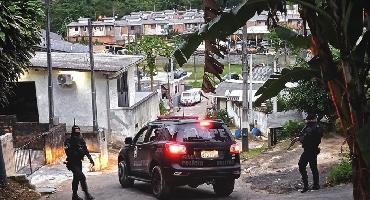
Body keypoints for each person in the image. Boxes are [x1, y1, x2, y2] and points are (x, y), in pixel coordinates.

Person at [64, 125, 95, 200]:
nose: (77, 133)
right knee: (82, 177)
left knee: (76, 178)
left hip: (78, 162)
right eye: (76, 131)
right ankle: (86, 194)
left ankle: (74, 196)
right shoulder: (68, 140)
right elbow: (68, 151)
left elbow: (85, 149)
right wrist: (77, 152)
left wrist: (90, 158)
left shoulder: (80, 139)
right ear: (73, 131)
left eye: (78, 131)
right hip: (72, 163)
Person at [295, 114, 323, 193]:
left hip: (308, 150)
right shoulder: (317, 126)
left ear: (309, 120)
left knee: (301, 165)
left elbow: (305, 138)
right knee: (313, 167)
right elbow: (320, 135)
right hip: (314, 149)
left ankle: (306, 185)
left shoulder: (310, 127)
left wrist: (299, 139)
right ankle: (316, 185)